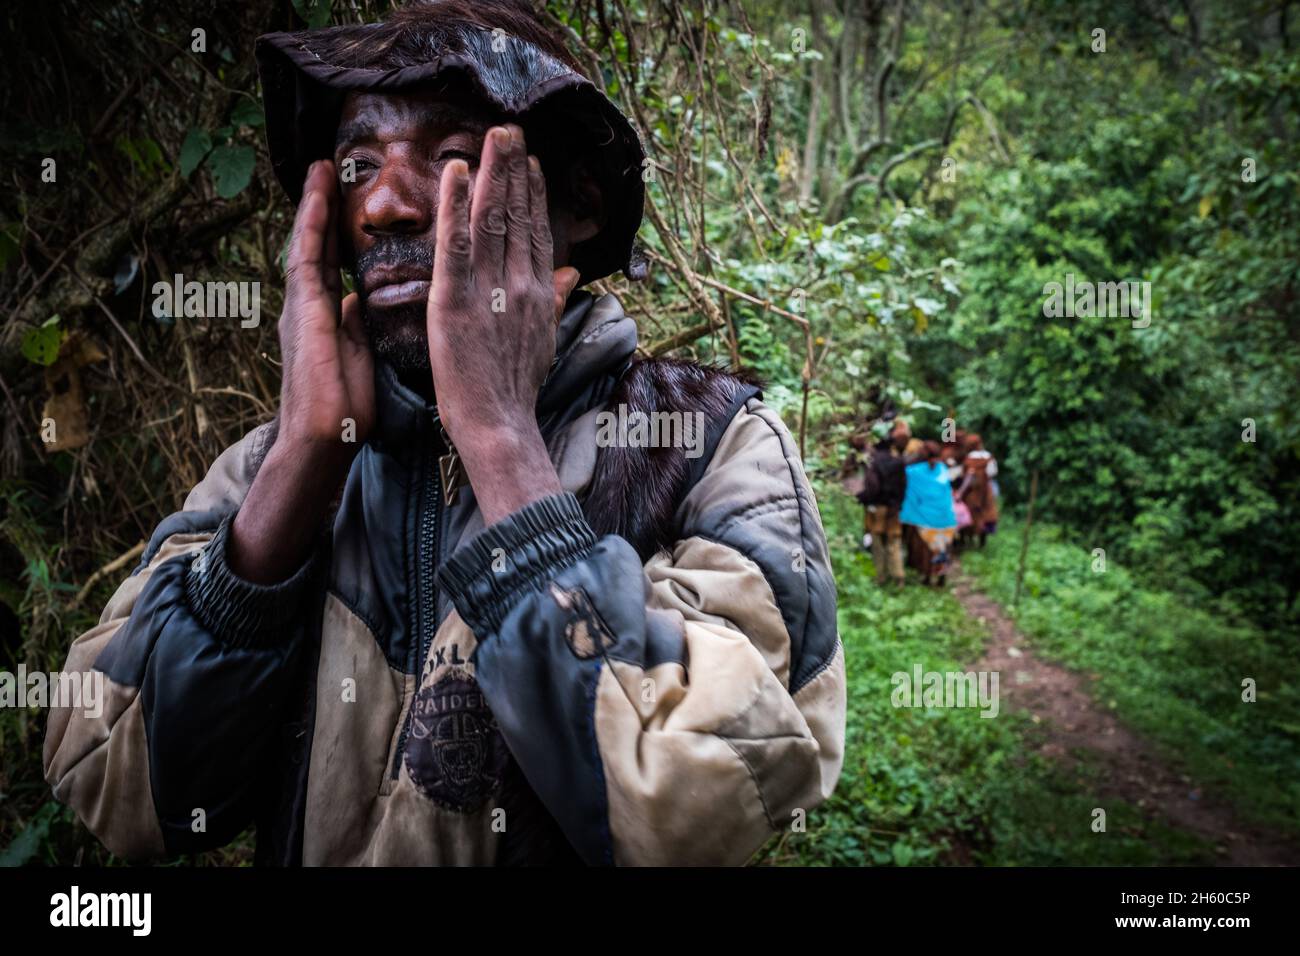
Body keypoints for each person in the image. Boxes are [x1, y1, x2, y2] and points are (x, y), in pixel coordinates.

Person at [43, 0, 845, 867]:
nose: (383, 206)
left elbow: (705, 800)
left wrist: (498, 437)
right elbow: (106, 781)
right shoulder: (268, 470)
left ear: (574, 206)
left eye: (454, 157)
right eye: (356, 167)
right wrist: (299, 469)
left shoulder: (711, 444)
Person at [857, 417, 911, 586]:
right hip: (894, 508)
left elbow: (871, 486)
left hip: (877, 507)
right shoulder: (898, 461)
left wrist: (865, 501)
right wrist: (898, 504)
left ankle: (880, 577)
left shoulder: (873, 461)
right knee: (894, 541)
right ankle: (899, 578)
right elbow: (903, 486)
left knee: (878, 543)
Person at [899, 440, 958, 586]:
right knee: (942, 547)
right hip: (945, 517)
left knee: (926, 549)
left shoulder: (914, 471)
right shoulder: (943, 469)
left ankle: (927, 575)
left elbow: (901, 472)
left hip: (925, 517)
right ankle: (941, 576)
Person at [959, 433, 1000, 547]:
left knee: (970, 514)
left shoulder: (968, 459)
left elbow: (964, 475)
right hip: (985, 492)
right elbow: (992, 473)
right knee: (985, 514)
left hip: (971, 492)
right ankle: (982, 543)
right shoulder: (988, 457)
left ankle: (967, 540)